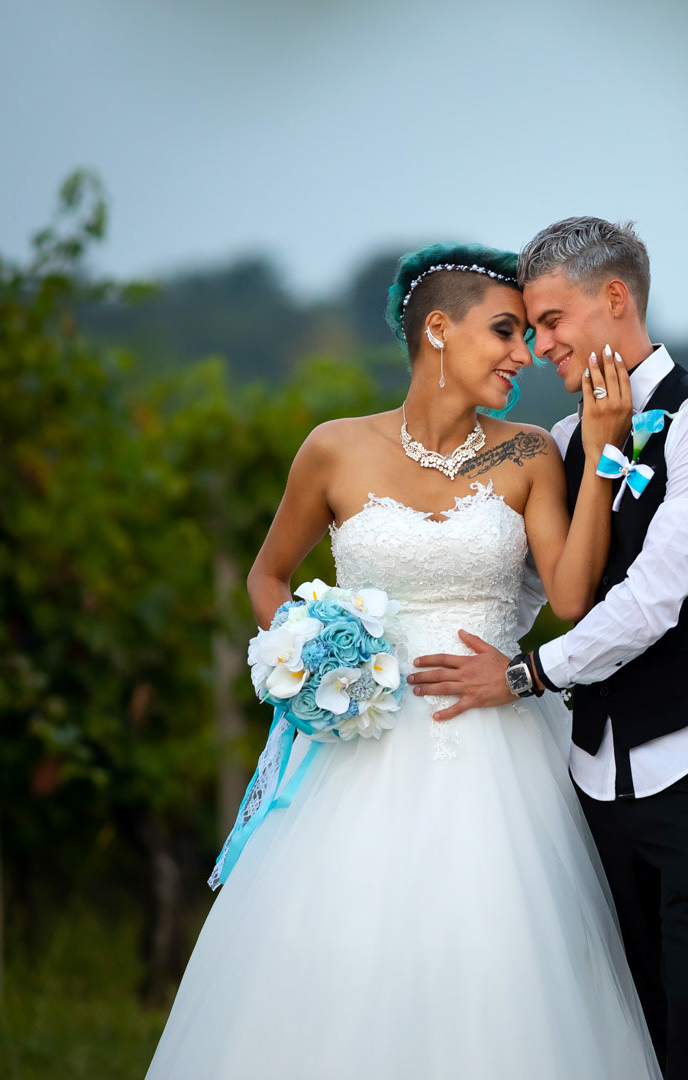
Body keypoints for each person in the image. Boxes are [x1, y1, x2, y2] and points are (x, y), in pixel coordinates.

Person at [144, 243, 660, 1078]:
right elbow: (267, 576)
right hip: (361, 747)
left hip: (495, 748)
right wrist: (312, 663)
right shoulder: (334, 449)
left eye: (529, 336)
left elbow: (571, 597)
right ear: (438, 329)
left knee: (493, 952)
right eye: (506, 332)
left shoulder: (529, 453)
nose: (525, 355)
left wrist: (602, 452)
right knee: (339, 947)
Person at [409, 218, 688, 1080]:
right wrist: (418, 648)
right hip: (592, 773)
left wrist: (526, 674)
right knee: (623, 1012)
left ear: (614, 299)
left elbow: (653, 600)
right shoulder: (565, 445)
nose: (540, 346)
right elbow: (531, 587)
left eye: (551, 321)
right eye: (531, 328)